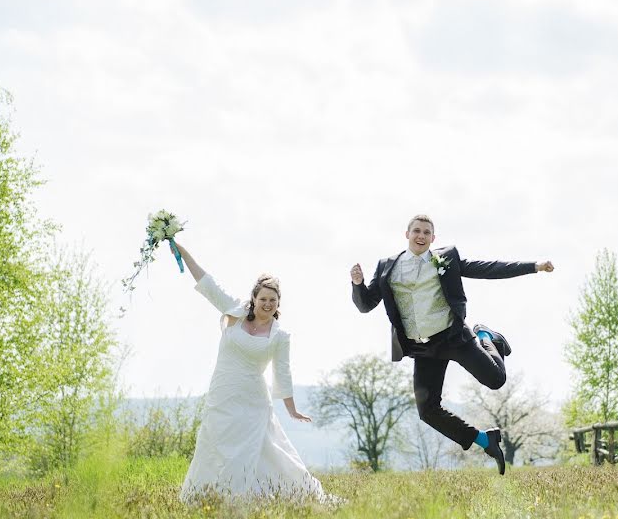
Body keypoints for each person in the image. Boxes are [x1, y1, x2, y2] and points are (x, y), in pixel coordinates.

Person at [350, 215, 553, 474]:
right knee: (428, 411)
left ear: (433, 238)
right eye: (416, 231)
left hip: (452, 337)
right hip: (422, 347)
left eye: (426, 232)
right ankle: (484, 440)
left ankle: (487, 337)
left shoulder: (445, 258)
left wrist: (534, 266)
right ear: (407, 234)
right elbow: (365, 304)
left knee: (496, 379)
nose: (421, 236)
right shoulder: (387, 266)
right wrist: (357, 285)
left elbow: (486, 268)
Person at [172, 242, 326, 502]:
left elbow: (282, 372)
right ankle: (205, 497)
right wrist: (180, 248)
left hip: (253, 400)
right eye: (263, 299)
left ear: (278, 303)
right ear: (254, 299)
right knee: (214, 444)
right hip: (222, 392)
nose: (267, 304)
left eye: (272, 300)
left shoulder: (280, 336)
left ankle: (253, 498)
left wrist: (291, 409)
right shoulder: (234, 312)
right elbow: (207, 283)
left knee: (258, 450)